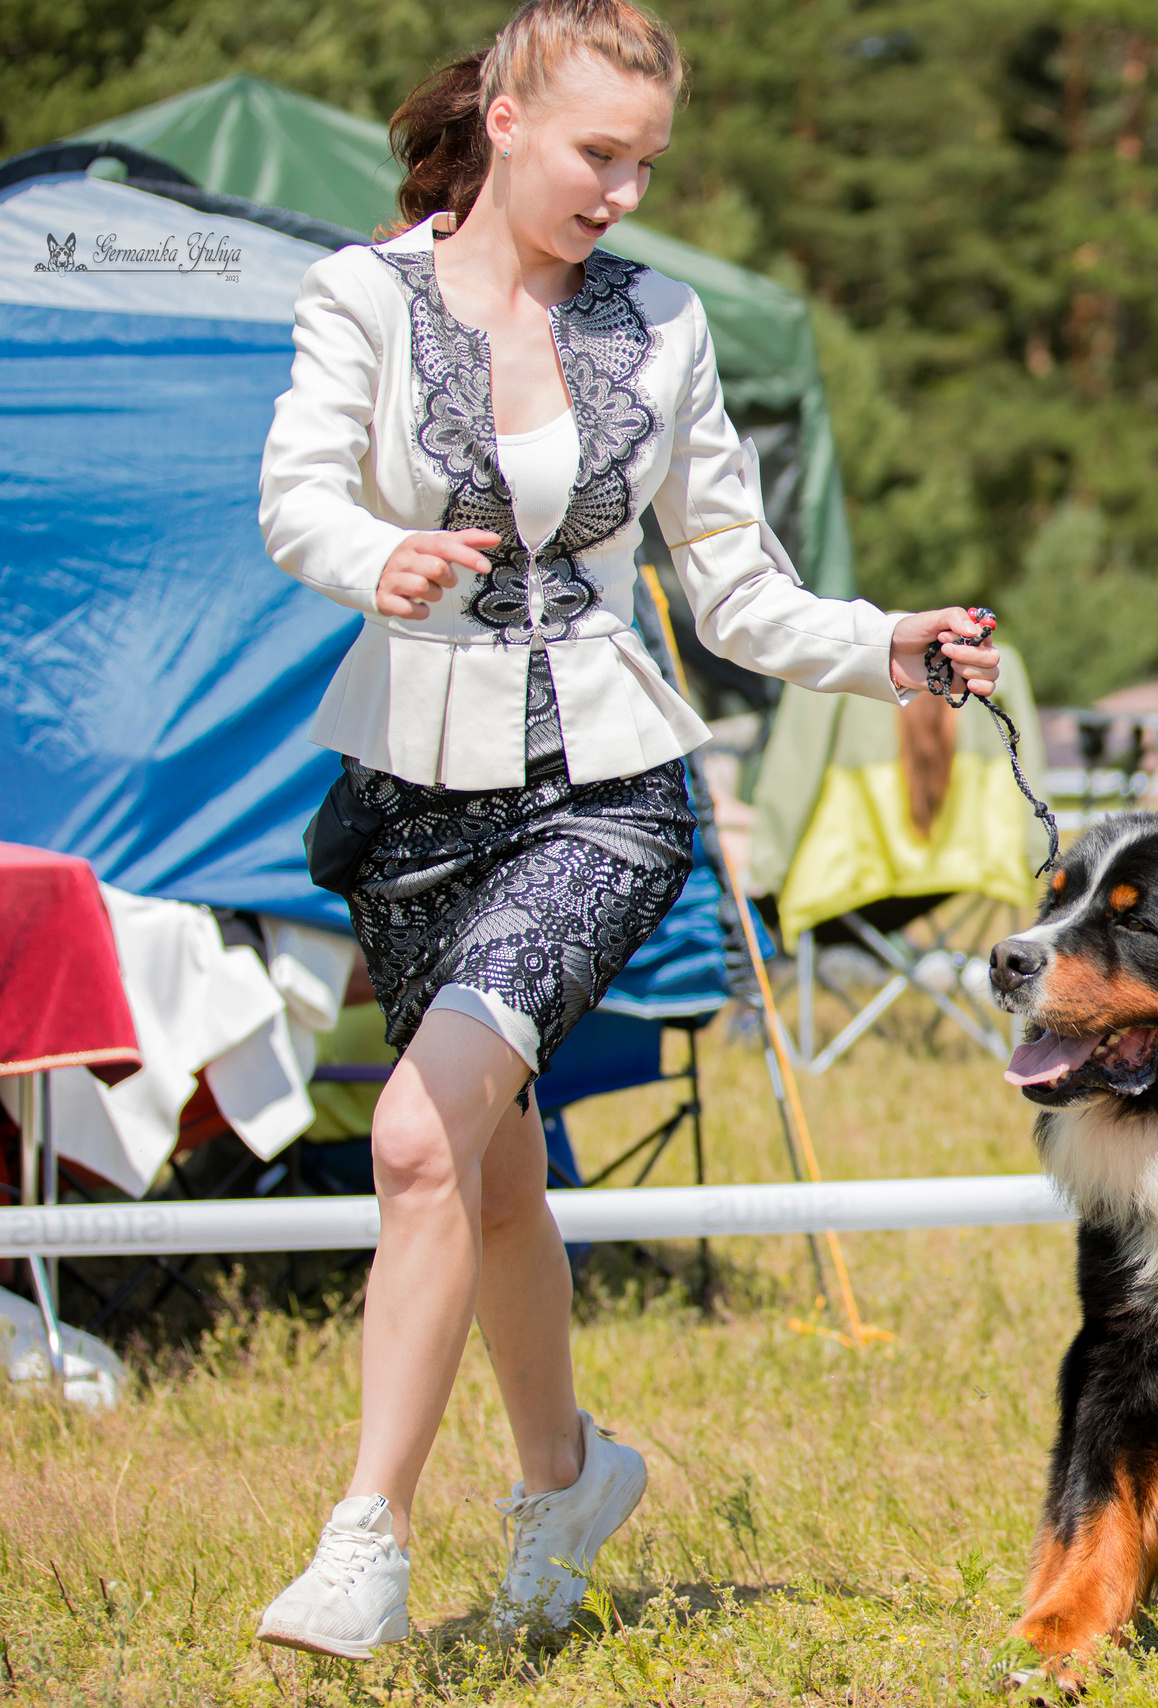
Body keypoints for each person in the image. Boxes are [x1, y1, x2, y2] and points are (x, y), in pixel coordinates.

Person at [251, 0, 998, 1657]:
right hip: (410, 798)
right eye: (601, 153)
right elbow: (294, 487)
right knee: (493, 1178)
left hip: (600, 793)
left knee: (418, 1142)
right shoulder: (358, 295)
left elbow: (732, 584)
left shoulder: (660, 324)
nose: (623, 190)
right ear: (507, 119)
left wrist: (880, 644)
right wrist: (370, 551)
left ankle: (364, 1528)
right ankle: (567, 1476)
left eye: (646, 164)